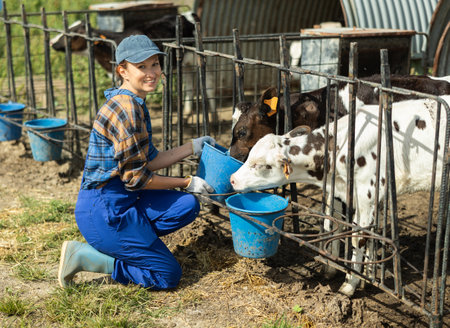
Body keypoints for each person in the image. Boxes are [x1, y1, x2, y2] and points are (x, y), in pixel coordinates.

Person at [58, 34, 215, 290]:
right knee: (168, 275)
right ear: (123, 71)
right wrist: (187, 181)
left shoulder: (134, 102)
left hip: (122, 201)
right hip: (105, 209)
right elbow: (136, 178)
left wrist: (193, 146)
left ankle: (132, 244)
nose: (151, 72)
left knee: (186, 205)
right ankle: (89, 257)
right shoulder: (127, 109)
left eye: (154, 64)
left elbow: (150, 160)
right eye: (141, 67)